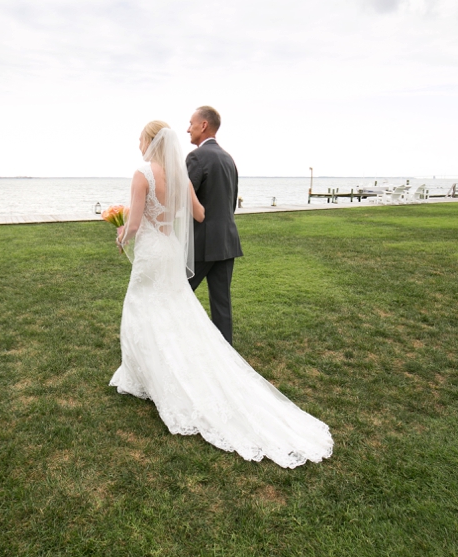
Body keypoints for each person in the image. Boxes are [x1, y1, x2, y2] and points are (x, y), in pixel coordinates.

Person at [109, 121, 333, 468]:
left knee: (142, 308)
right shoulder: (179, 176)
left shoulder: (142, 173)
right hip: (169, 248)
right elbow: (199, 212)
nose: (138, 144)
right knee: (172, 309)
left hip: (153, 251)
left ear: (149, 142)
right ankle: (158, 368)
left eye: (140, 138)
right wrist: (174, 217)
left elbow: (135, 223)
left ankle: (143, 375)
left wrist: (122, 234)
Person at [185, 106, 243, 345]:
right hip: (227, 241)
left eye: (191, 123)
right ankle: (226, 354)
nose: (188, 128)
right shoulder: (229, 158)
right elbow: (231, 203)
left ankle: (173, 345)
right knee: (222, 303)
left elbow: (185, 202)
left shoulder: (196, 157)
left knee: (176, 293)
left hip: (203, 243)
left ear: (204, 125)